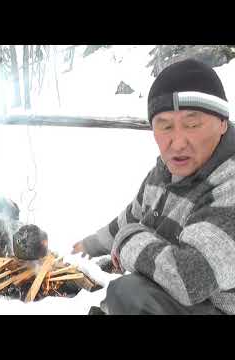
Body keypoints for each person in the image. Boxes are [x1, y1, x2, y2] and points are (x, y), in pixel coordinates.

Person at [72, 58, 235, 315]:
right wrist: (86, 247)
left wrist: (129, 239)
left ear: (223, 123)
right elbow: (131, 217)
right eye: (165, 126)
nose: (177, 142)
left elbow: (190, 279)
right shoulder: (165, 172)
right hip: (172, 301)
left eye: (192, 125)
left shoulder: (229, 183)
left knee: (129, 295)